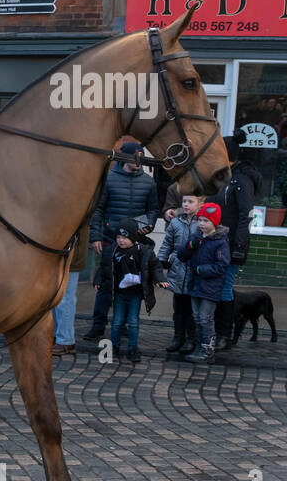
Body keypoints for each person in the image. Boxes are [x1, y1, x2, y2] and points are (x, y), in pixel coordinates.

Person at [84, 142, 159, 339]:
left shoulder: (148, 182)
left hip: (134, 243)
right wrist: (96, 237)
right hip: (110, 239)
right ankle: (98, 325)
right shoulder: (108, 179)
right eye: (135, 156)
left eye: (141, 156)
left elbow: (152, 210)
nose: (138, 160)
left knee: (129, 285)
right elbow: (98, 210)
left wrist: (148, 225)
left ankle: (124, 324)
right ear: (125, 157)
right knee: (106, 285)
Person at [213, 132, 260, 349]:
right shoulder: (220, 176)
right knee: (213, 287)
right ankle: (213, 331)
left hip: (232, 244)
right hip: (214, 242)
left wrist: (239, 247)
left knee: (224, 288)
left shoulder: (242, 179)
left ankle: (225, 334)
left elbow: (245, 215)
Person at [95, 223, 165, 363]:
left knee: (133, 322)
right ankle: (114, 347)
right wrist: (98, 280)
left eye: (125, 238)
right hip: (119, 294)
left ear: (133, 238)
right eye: (119, 237)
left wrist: (159, 279)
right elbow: (103, 267)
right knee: (116, 322)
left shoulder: (143, 251)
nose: (121, 240)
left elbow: (155, 266)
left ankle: (133, 349)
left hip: (135, 294)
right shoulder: (112, 251)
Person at [178, 202, 231, 364]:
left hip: (210, 287)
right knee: (196, 317)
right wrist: (190, 245)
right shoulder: (196, 237)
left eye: (206, 221)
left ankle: (208, 350)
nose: (201, 224)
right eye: (200, 220)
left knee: (205, 318)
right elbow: (182, 255)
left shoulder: (220, 242)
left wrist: (201, 270)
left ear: (214, 223)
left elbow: (222, 266)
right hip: (195, 285)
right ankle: (199, 347)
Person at [157, 193, 202, 355]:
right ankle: (178, 337)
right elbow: (167, 243)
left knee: (191, 308)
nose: (186, 204)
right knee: (178, 306)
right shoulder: (176, 222)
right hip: (177, 268)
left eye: (191, 201)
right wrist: (161, 260)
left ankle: (191, 338)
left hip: (194, 268)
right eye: (184, 201)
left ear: (199, 203)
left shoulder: (201, 222)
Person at [52, 219, 90, 356]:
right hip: (62, 252)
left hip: (71, 254)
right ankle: (58, 337)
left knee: (65, 299)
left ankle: (65, 341)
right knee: (56, 299)